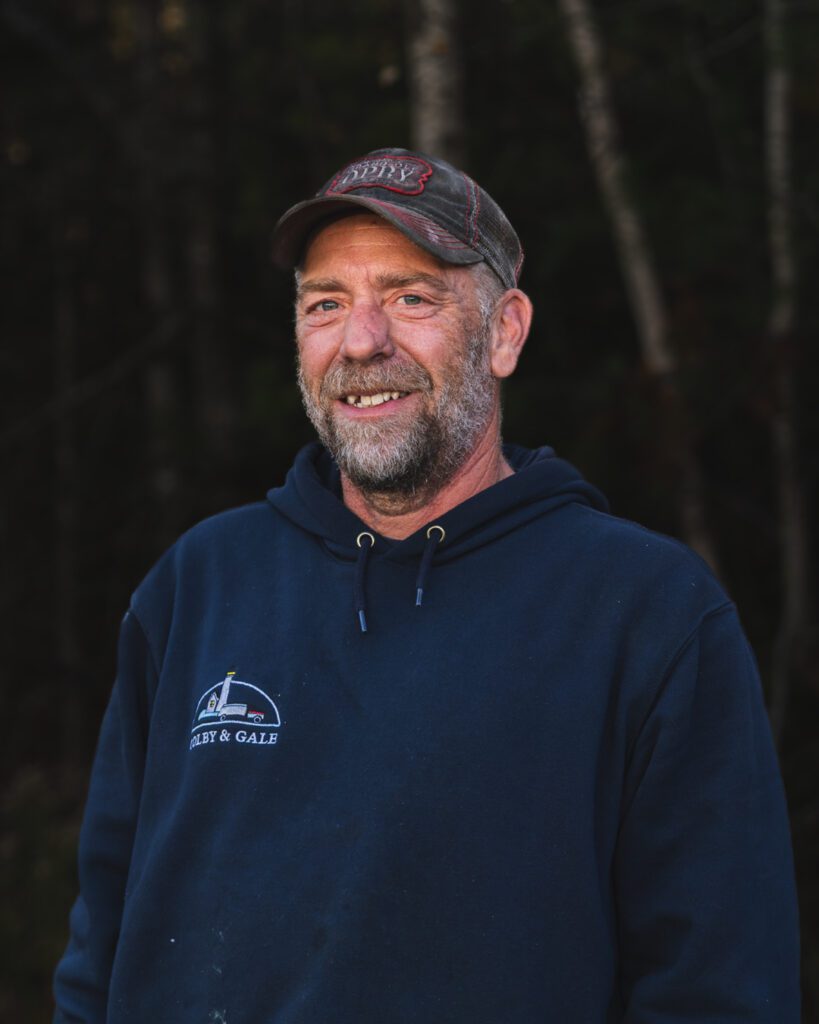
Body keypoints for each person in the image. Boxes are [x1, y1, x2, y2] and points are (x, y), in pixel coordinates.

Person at [54, 147, 800, 1022]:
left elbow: (718, 987)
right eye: (325, 304)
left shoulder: (647, 614)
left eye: (411, 298)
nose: (363, 342)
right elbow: (100, 946)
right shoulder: (196, 589)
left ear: (504, 332)